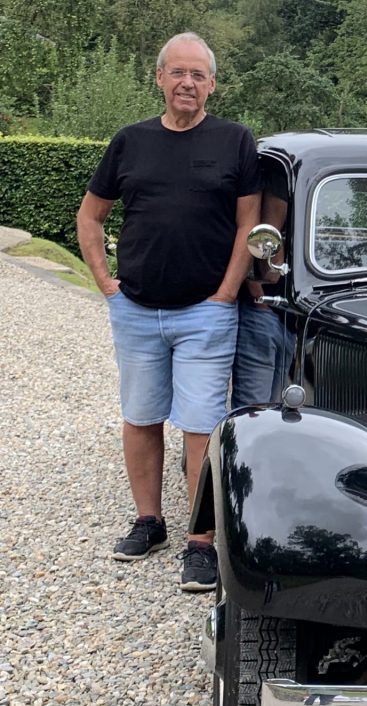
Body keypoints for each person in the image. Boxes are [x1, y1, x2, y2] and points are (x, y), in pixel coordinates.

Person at [76, 32, 261, 592]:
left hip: (205, 312)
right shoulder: (130, 142)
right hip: (134, 308)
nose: (188, 83)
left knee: (201, 425)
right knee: (140, 414)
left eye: (198, 75)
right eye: (178, 73)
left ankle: (200, 542)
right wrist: (105, 282)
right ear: (159, 78)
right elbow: (91, 217)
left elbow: (247, 225)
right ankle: (148, 521)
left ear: (212, 84)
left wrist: (227, 292)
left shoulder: (235, 140)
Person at [231, 183, 295, 408]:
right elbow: (261, 239)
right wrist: (259, 296)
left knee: (282, 406)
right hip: (266, 307)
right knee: (254, 409)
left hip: (293, 313)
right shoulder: (277, 182)